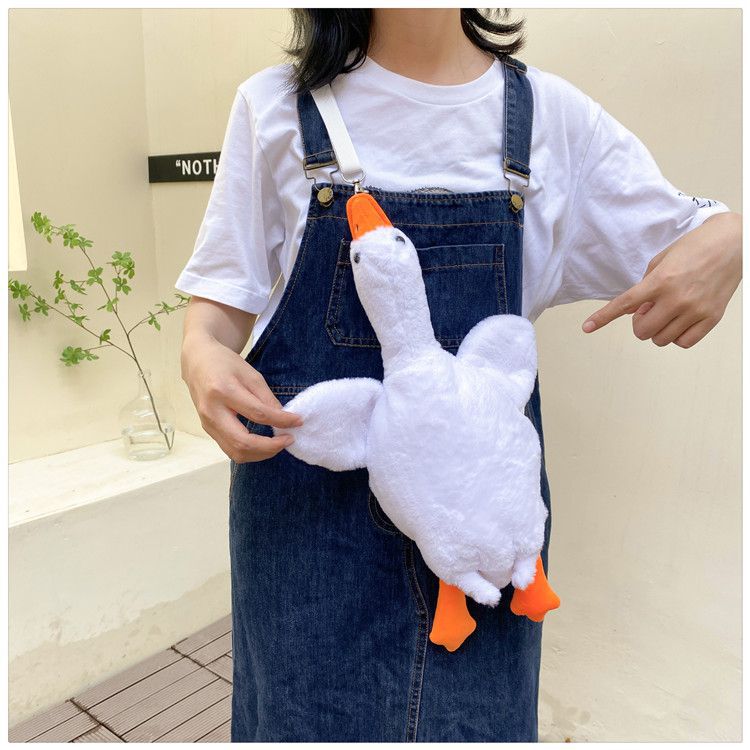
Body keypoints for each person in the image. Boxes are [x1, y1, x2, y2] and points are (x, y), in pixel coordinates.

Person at [176, 9, 742, 742]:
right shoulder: (275, 108)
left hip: (485, 554)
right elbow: (218, 309)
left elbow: (691, 233)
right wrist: (202, 355)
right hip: (310, 541)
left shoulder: (552, 120)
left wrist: (731, 237)